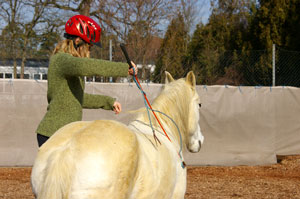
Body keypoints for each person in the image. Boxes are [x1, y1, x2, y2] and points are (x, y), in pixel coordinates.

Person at [35, 15, 137, 147]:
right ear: (77, 41)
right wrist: (124, 68)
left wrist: (109, 102)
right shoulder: (61, 60)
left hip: (64, 134)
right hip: (53, 134)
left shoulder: (69, 65)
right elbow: (87, 66)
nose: (89, 51)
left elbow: (79, 98)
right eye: (89, 46)